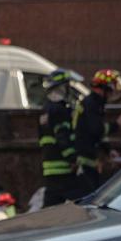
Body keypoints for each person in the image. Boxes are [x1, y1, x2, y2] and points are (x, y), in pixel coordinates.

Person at [73, 69, 121, 195]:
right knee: (89, 195)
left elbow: (97, 134)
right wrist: (117, 124)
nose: (112, 93)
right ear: (105, 87)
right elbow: (96, 130)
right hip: (84, 159)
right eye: (111, 89)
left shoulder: (94, 103)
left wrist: (108, 151)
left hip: (89, 158)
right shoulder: (91, 104)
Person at [39, 68, 81, 207]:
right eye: (67, 86)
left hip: (50, 166)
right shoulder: (59, 110)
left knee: (50, 206)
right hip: (62, 167)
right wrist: (73, 159)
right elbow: (62, 137)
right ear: (61, 87)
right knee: (84, 200)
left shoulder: (47, 108)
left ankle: (45, 227)